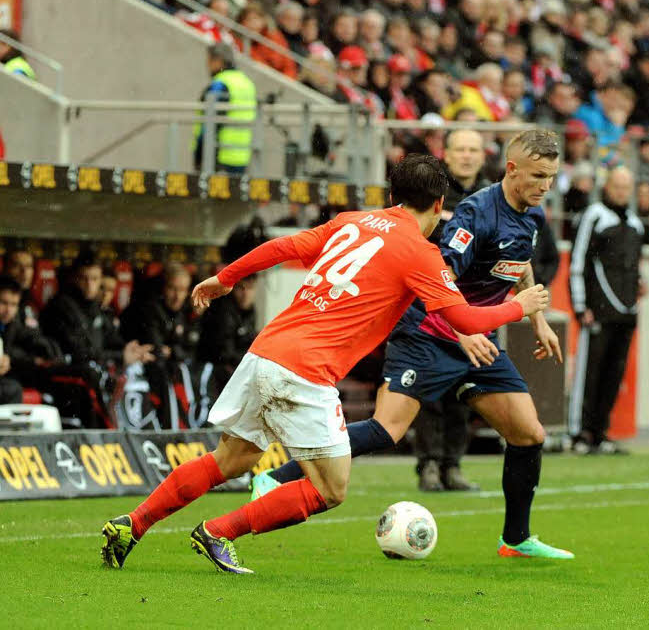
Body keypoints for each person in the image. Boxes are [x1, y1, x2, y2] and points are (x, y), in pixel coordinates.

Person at [99, 154, 550, 573]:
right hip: (305, 370)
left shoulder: (351, 221)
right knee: (330, 489)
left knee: (230, 458)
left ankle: (132, 523)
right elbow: (465, 318)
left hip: (265, 351)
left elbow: (283, 247)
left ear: (392, 196)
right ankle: (220, 532)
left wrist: (225, 278)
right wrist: (521, 304)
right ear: (438, 204)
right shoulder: (420, 252)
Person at [254, 130, 574, 560]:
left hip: (479, 343)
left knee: (528, 434)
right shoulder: (475, 214)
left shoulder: (533, 215)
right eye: (538, 176)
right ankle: (278, 477)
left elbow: (520, 263)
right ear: (512, 169)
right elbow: (435, 282)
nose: (545, 186)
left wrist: (538, 320)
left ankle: (515, 540)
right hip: (429, 336)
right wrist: (464, 331)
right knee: (387, 429)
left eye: (551, 177)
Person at [417, 129, 491, 492]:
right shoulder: (431, 192)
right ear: (445, 154)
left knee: (464, 388)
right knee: (429, 389)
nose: (466, 155)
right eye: (460, 149)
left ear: (482, 155)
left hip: (475, 307)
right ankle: (428, 464)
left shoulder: (494, 197)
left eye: (472, 149)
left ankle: (453, 464)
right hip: (431, 306)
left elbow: (536, 252)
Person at [567, 166, 646, 454]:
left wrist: (641, 285)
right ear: (607, 186)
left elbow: (634, 266)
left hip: (626, 312)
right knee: (590, 371)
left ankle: (600, 431)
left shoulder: (636, 224)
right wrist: (580, 306)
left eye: (627, 187)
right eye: (617, 186)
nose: (622, 192)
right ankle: (580, 432)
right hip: (597, 310)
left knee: (614, 373)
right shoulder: (594, 216)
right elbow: (578, 263)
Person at [40, 252, 156, 425]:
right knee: (94, 373)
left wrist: (133, 352)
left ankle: (140, 431)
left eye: (94, 279)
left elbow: (113, 340)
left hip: (97, 363)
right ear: (74, 278)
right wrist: (119, 357)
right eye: (84, 278)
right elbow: (78, 351)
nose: (89, 284)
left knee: (137, 370)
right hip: (68, 369)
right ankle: (103, 432)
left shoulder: (96, 308)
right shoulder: (62, 306)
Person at [119, 263, 199, 427]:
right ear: (163, 288)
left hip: (169, 366)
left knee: (189, 371)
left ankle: (193, 424)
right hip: (142, 367)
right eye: (173, 289)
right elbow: (157, 352)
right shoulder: (150, 309)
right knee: (164, 373)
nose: (177, 295)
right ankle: (169, 429)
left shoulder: (184, 311)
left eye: (183, 290)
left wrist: (174, 352)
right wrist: (173, 352)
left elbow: (194, 350)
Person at [193, 43, 257, 175]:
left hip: (218, 154)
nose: (207, 65)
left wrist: (200, 153)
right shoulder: (246, 82)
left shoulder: (221, 83)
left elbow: (211, 122)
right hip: (241, 155)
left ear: (218, 60)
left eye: (209, 60)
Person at [0, 277, 62, 404]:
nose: (8, 310)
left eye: (13, 304)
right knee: (12, 389)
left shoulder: (12, 324)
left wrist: (48, 351)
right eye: (3, 303)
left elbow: (31, 338)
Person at [196, 273, 259, 389]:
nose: (245, 294)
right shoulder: (224, 310)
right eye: (241, 288)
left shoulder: (250, 311)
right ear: (233, 288)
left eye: (250, 288)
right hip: (213, 369)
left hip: (235, 365)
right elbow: (226, 354)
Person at [2, 249, 39, 326]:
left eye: (28, 266)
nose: (24, 272)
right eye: (17, 265)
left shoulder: (30, 301)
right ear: (5, 269)